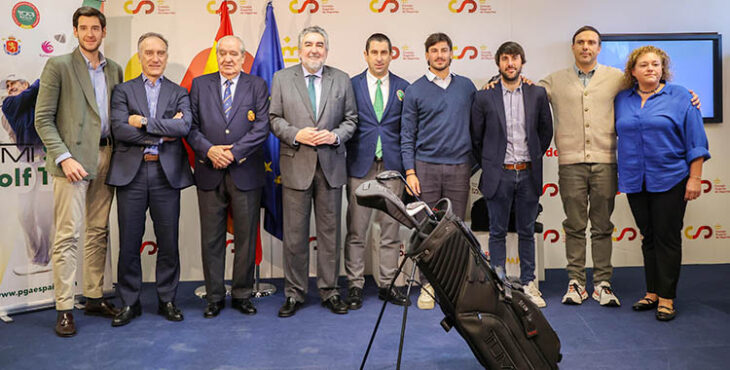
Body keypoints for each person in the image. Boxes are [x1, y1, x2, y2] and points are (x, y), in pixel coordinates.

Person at [538, 26, 699, 307]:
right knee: (575, 226)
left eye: (591, 42)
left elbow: (655, 86)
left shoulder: (617, 79)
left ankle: (602, 283)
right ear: (573, 47)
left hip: (607, 163)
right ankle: (576, 282)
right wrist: (495, 81)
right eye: (580, 42)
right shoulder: (554, 81)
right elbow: (524, 93)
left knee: (602, 226)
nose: (586, 47)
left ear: (599, 48)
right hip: (571, 164)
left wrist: (689, 95)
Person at [34, 6, 123, 337]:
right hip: (71, 164)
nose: (90, 33)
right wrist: (63, 157)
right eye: (83, 28)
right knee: (67, 235)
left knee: (98, 231)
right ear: (75, 31)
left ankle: (95, 297)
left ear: (103, 32)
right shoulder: (58, 66)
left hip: (107, 156)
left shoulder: (114, 69)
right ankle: (64, 308)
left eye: (95, 28)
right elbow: (42, 118)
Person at [614, 46, 709, 321]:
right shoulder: (622, 99)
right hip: (634, 179)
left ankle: (667, 298)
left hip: (671, 178)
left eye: (656, 64)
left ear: (663, 69)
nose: (651, 69)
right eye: (643, 65)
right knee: (649, 237)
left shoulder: (681, 96)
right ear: (633, 71)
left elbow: (696, 141)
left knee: (667, 238)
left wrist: (695, 177)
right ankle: (652, 292)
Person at [106, 32, 193, 326]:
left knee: (168, 241)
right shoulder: (123, 91)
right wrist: (163, 130)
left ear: (166, 56)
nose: (155, 58)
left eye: (161, 53)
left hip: (165, 174)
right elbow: (120, 130)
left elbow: (185, 128)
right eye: (149, 53)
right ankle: (130, 302)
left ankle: (167, 299)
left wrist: (142, 122)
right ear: (140, 56)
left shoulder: (179, 91)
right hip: (131, 174)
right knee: (129, 241)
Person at [270, 26, 357, 317]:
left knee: (330, 235)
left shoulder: (342, 79)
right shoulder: (282, 78)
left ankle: (330, 291)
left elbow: (351, 120)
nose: (314, 49)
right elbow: (274, 119)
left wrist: (334, 136)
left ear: (326, 50)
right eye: (308, 44)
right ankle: (294, 293)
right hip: (296, 165)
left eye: (320, 44)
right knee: (294, 236)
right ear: (299, 49)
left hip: (331, 166)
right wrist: (296, 134)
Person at [187, 35, 270, 318]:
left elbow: (262, 127)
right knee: (211, 238)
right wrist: (210, 150)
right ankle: (213, 296)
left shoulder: (256, 85)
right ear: (217, 55)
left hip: (245, 171)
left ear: (243, 57)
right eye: (222, 53)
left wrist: (233, 153)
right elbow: (190, 127)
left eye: (233, 54)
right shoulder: (200, 85)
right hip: (209, 171)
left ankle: (242, 294)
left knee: (246, 237)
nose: (228, 59)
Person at [470, 41, 553, 307]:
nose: (510, 63)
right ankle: (499, 284)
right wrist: (493, 160)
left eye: (515, 58)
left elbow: (545, 133)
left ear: (522, 62)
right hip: (499, 173)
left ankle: (529, 283)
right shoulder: (484, 96)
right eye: (505, 58)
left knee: (527, 230)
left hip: (528, 172)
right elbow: (477, 137)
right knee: (497, 232)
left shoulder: (537, 94)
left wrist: (532, 157)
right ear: (498, 63)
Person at [400, 32, 476, 310]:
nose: (440, 55)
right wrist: (410, 172)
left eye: (444, 50)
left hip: (459, 168)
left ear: (452, 54)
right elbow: (406, 135)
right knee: (427, 232)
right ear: (427, 55)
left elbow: (478, 127)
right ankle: (428, 285)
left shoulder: (467, 87)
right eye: (434, 51)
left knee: (455, 231)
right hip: (425, 168)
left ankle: (455, 286)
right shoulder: (415, 90)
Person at [344, 33, 410, 310]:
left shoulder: (403, 87)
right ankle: (355, 285)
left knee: (390, 230)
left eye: (385, 52)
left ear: (392, 54)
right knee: (357, 230)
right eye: (375, 52)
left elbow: (407, 130)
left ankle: (387, 284)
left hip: (392, 169)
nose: (380, 57)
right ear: (366, 54)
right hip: (361, 165)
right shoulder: (351, 85)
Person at [1, 74, 53, 276]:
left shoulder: (38, 102)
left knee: (44, 213)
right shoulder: (9, 105)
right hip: (25, 164)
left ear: (25, 84)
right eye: (7, 85)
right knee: (24, 213)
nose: (10, 87)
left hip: (46, 162)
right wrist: (43, 79)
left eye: (14, 83)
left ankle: (44, 258)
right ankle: (36, 256)